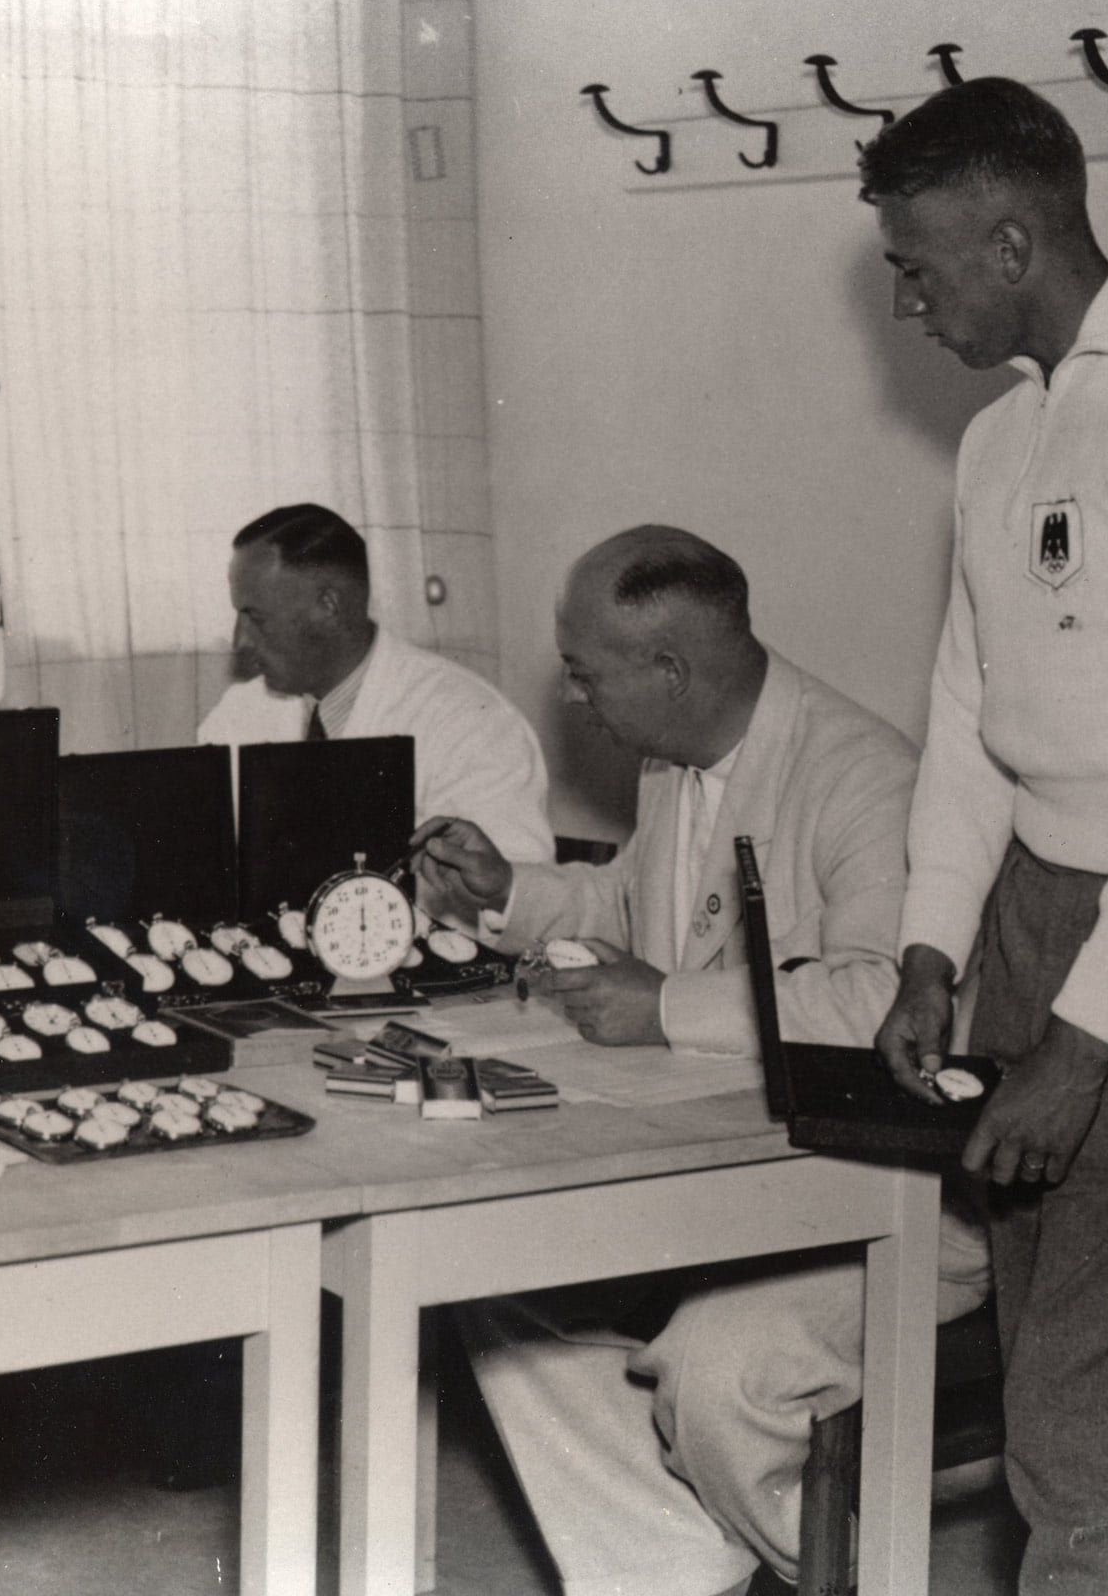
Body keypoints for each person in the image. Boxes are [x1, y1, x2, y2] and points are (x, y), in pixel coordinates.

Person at [414, 525, 990, 1596]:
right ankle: (674, 1563)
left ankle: (834, 1573)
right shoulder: (673, 764)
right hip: (727, 1176)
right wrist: (508, 892)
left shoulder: (865, 776)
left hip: (891, 1198)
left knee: (719, 1367)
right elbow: (627, 905)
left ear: (670, 672)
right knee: (487, 1280)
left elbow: (882, 998)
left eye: (587, 675)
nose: (578, 700)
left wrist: (666, 1005)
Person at [864, 78, 1108, 1596]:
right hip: (1034, 912)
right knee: (1056, 1378)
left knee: (1075, 1406)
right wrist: (930, 948)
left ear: (1013, 240)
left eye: (917, 264)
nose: (907, 302)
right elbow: (970, 720)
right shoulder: (999, 441)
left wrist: (1086, 1043)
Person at [198, 503, 555, 909]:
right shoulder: (236, 714)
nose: (239, 642)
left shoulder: (475, 722)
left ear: (328, 606)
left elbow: (513, 904)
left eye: (255, 617)